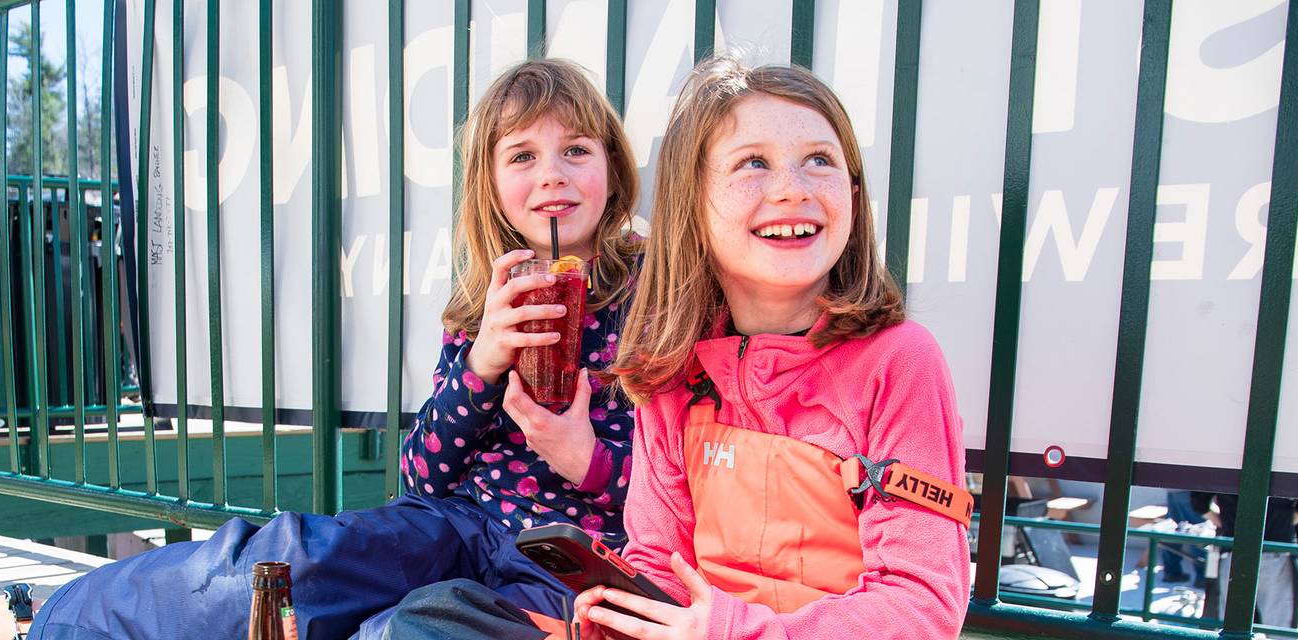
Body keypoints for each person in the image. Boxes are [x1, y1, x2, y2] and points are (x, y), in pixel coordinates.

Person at [28, 58, 645, 640]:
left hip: (574, 554)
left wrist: (585, 459)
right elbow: (423, 476)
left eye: (576, 150)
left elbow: (682, 482)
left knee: (413, 629)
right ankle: (67, 622)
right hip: (460, 525)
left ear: (612, 168)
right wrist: (480, 363)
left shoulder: (654, 295)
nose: (551, 174)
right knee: (290, 560)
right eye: (522, 155)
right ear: (490, 183)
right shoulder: (484, 303)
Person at [387, 58, 973, 640]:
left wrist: (722, 629)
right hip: (496, 543)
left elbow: (922, 607)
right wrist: (617, 617)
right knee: (422, 622)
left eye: (819, 160)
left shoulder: (898, 363)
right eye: (753, 164)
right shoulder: (672, 367)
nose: (792, 189)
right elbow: (654, 561)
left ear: (852, 193)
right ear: (693, 205)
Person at [1192, 492, 1298, 628]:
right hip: (1275, 548)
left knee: (1232, 624)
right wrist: (1285, 523)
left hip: (1235, 547)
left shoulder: (1225, 472)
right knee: (1278, 623)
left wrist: (1224, 522)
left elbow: (1199, 501)